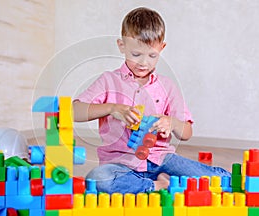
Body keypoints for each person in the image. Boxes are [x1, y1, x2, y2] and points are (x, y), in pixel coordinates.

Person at [73, 7, 230, 194]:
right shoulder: (109, 81)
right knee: (98, 179)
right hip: (121, 164)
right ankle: (159, 185)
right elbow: (74, 111)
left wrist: (171, 123)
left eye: (152, 55)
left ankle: (156, 182)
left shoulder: (167, 86)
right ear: (122, 45)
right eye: (136, 54)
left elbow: (186, 132)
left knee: (220, 181)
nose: (143, 63)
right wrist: (113, 108)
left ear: (161, 48)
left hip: (162, 159)